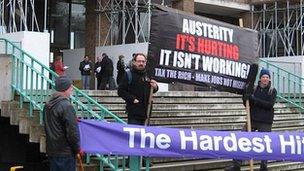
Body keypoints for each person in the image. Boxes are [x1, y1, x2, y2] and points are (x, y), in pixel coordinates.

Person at [225, 68, 277, 171]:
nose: (265, 79)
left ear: (269, 79)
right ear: (260, 78)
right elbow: (247, 104)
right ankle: (236, 165)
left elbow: (269, 105)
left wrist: (254, 99)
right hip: (252, 119)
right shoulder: (254, 89)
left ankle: (264, 167)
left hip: (265, 122)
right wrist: (245, 98)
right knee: (242, 139)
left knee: (265, 144)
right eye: (263, 77)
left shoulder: (272, 90)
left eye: (267, 77)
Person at [43, 76, 80, 171]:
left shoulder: (47, 106)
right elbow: (72, 132)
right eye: (70, 87)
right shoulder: (67, 106)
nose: (72, 89)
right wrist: (77, 149)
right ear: (65, 89)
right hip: (66, 153)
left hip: (52, 151)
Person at [118, 53, 158, 125]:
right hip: (134, 113)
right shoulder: (128, 74)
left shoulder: (148, 74)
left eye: (143, 61)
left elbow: (152, 90)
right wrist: (132, 99)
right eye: (139, 61)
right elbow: (120, 91)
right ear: (134, 62)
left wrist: (155, 87)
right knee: (135, 135)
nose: (141, 63)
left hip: (147, 112)